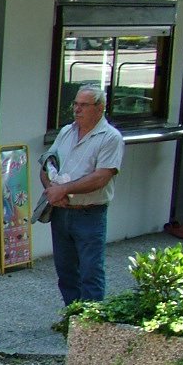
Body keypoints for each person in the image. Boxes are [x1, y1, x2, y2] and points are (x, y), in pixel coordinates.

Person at [40, 85, 124, 304]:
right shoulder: (67, 131)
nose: (77, 109)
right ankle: (72, 316)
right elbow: (48, 163)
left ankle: (91, 324)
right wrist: (52, 190)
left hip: (89, 213)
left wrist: (64, 189)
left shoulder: (110, 137)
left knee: (90, 271)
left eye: (83, 105)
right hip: (61, 210)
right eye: (75, 104)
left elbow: (101, 177)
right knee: (66, 271)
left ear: (100, 108)